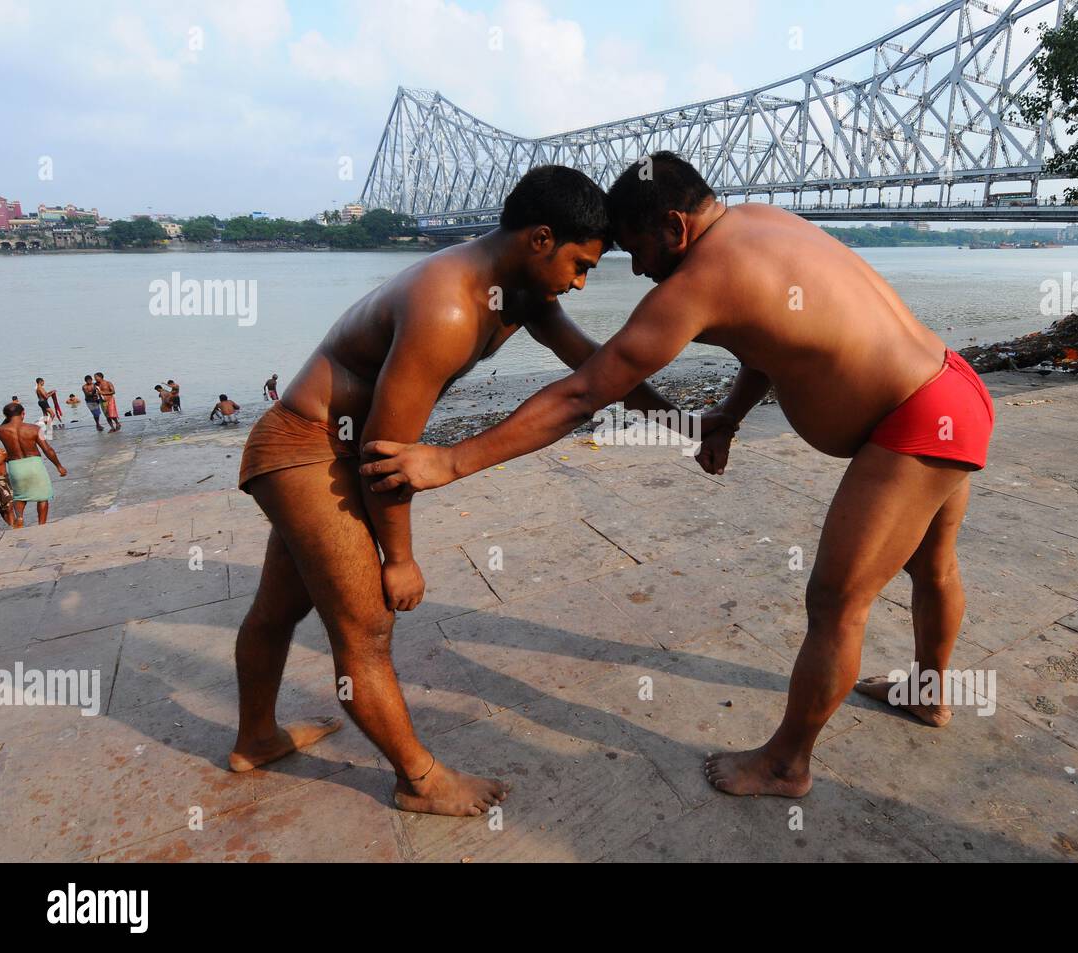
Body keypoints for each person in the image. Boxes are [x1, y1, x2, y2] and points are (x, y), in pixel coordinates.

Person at [360, 152, 996, 799]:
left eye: (635, 250)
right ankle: (930, 691)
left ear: (674, 226)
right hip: (953, 389)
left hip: (912, 424)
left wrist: (448, 459)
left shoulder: (698, 281)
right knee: (934, 566)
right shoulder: (759, 222)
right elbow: (774, 337)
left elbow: (584, 394)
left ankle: (786, 763)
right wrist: (725, 415)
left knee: (836, 603)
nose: (636, 270)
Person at [229, 166, 677, 817]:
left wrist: (683, 420)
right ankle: (420, 779)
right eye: (579, 265)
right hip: (308, 447)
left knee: (277, 609)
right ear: (540, 238)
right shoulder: (447, 305)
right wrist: (399, 556)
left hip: (331, 449)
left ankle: (256, 737)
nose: (580, 282)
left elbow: (598, 365)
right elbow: (388, 457)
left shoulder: (519, 292)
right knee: (368, 628)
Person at [0, 402, 68, 527]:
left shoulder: (0, 430)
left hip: (15, 466)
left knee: (20, 496)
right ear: (23, 413)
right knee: (42, 496)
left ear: (6, 416)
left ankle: (19, 518)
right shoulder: (35, 429)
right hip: (34, 464)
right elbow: (48, 449)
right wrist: (59, 466)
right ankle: (41, 525)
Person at [0, 445, 13, 527]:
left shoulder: (1, 452)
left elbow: (13, 460)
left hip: (3, 481)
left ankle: (15, 527)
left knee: (9, 505)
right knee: (1, 509)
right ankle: (11, 525)